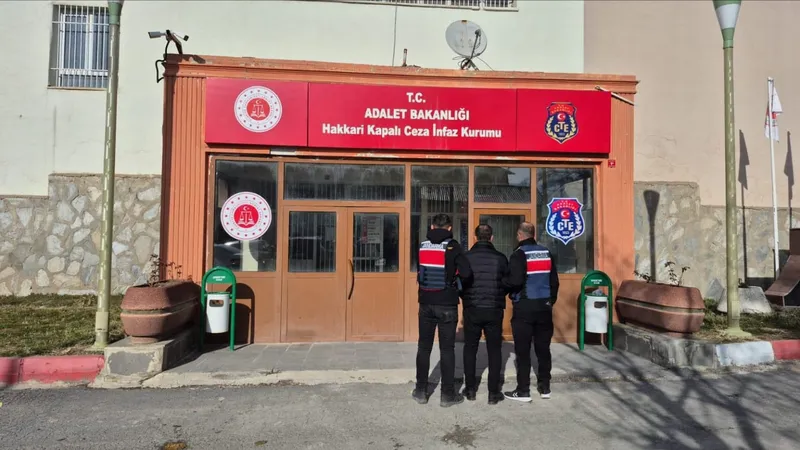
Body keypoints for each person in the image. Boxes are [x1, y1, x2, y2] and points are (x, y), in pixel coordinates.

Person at [413, 213, 473, 407]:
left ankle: (420, 391)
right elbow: (466, 273)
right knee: (447, 349)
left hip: (425, 302)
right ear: (449, 228)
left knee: (424, 347)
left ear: (431, 227)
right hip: (447, 303)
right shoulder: (453, 247)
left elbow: (420, 271)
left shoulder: (422, 246)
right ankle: (447, 395)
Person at [503, 222, 559, 402]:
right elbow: (554, 281)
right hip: (544, 307)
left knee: (523, 350)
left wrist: (505, 287)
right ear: (533, 234)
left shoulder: (519, 254)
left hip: (525, 307)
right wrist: (550, 301)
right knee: (543, 349)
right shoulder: (546, 253)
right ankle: (545, 387)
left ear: (520, 235)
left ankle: (523, 391)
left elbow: (515, 281)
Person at [460, 224, 508, 405]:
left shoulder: (466, 257)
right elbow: (507, 283)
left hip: (472, 308)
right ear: (492, 238)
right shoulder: (500, 258)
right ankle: (493, 393)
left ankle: (470, 389)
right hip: (494, 308)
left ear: (475, 237)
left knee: (470, 348)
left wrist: (466, 297)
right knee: (494, 350)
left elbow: (461, 282)